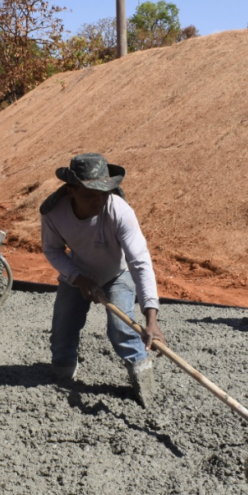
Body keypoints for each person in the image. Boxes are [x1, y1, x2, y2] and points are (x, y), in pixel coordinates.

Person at [40, 153, 166, 406]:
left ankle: (144, 382)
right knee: (63, 327)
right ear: (71, 190)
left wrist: (151, 319)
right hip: (78, 271)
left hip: (118, 272)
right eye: (90, 195)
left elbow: (139, 262)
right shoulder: (54, 213)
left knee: (121, 328)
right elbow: (52, 250)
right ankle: (62, 375)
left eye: (104, 193)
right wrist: (78, 278)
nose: (99, 201)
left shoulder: (119, 210)